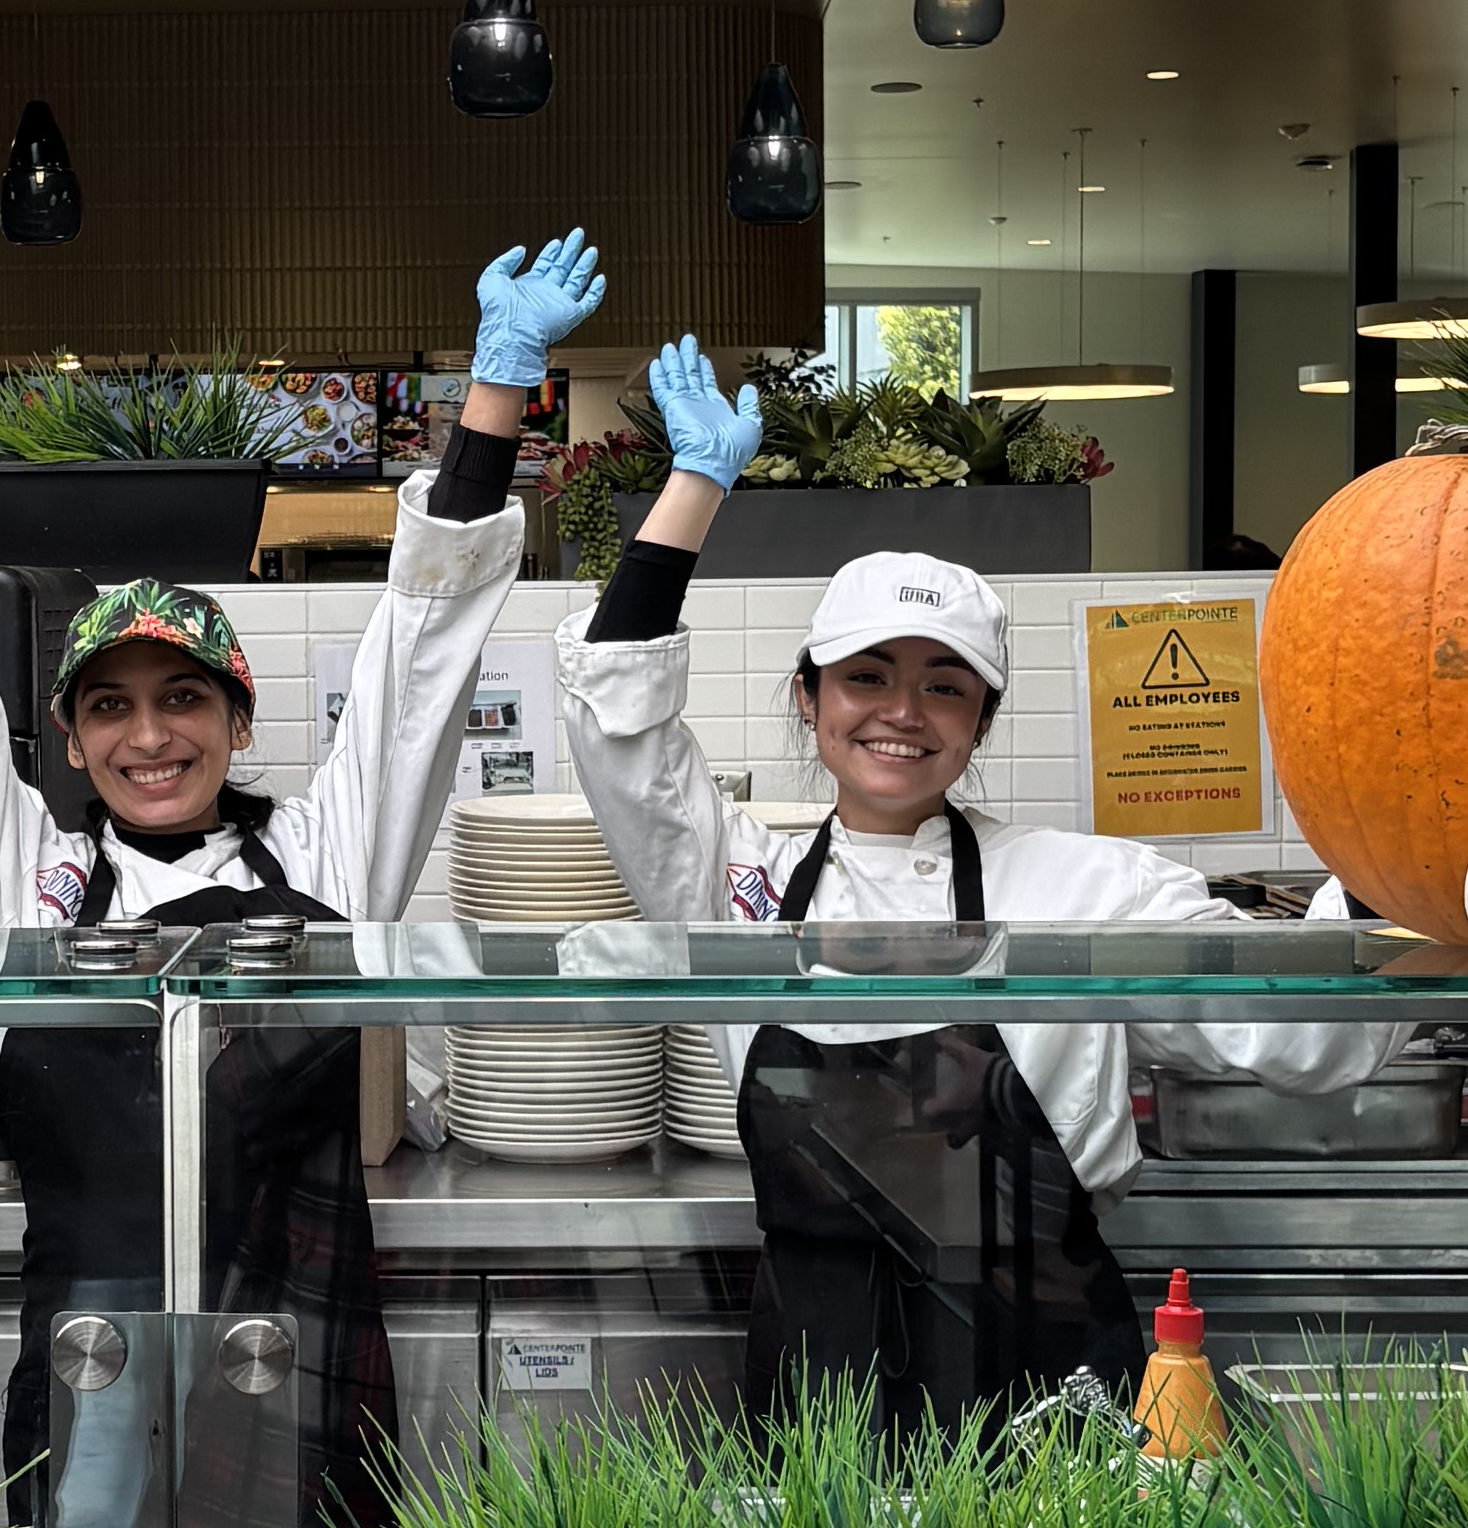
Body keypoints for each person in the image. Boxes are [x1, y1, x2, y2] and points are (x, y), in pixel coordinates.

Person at [0, 215, 602, 1528]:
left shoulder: (328, 862)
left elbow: (418, 660)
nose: (149, 737)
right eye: (111, 707)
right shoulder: (21, 886)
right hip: (95, 1366)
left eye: (181, 702)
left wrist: (492, 402)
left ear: (234, 718)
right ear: (70, 738)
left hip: (305, 1359)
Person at [556, 337, 1372, 1433]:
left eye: (945, 687)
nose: (903, 711)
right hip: (823, 1387)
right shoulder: (733, 880)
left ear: (980, 721)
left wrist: (1405, 850)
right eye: (867, 677)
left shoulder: (1089, 887)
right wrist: (697, 488)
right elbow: (619, 720)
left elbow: (1300, 1033)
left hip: (1043, 1375)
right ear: (809, 699)